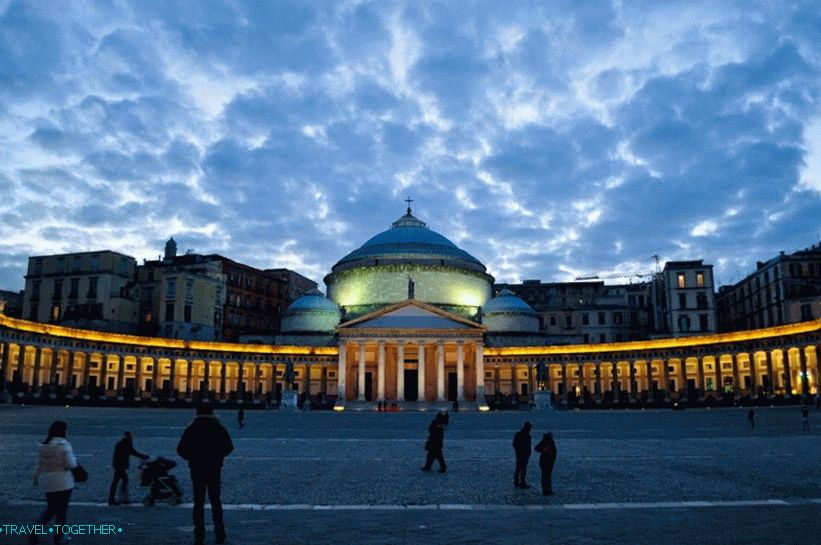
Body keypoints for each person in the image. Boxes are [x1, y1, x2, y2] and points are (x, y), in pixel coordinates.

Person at [177, 404, 234, 545]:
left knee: (198, 502)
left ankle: (199, 535)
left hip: (196, 468)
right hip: (214, 468)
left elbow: (181, 449)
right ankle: (220, 533)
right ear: (212, 413)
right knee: (215, 501)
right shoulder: (218, 427)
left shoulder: (192, 428)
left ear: (197, 413)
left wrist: (192, 458)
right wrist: (218, 457)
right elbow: (229, 447)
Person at [31, 420, 76, 545]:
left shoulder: (44, 446)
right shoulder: (64, 445)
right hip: (63, 482)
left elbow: (40, 465)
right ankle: (59, 538)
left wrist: (35, 477)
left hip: (48, 482)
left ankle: (34, 531)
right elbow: (70, 464)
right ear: (63, 431)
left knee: (50, 509)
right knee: (61, 512)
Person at [108, 431, 148, 505]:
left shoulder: (119, 443)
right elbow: (134, 452)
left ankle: (115, 499)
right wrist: (144, 456)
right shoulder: (127, 444)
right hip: (121, 467)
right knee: (123, 481)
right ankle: (121, 498)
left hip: (117, 466)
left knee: (116, 482)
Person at [534, 432, 557, 496]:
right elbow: (537, 448)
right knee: (546, 476)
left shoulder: (547, 442)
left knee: (547, 476)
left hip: (547, 461)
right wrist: (543, 450)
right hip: (546, 462)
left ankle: (548, 490)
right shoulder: (547, 442)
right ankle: (546, 491)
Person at [513, 422, 532, 489]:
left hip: (523, 454)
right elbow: (515, 444)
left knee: (520, 469)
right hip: (522, 454)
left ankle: (518, 482)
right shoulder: (525, 435)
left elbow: (515, 444)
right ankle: (521, 482)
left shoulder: (520, 434)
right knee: (521, 469)